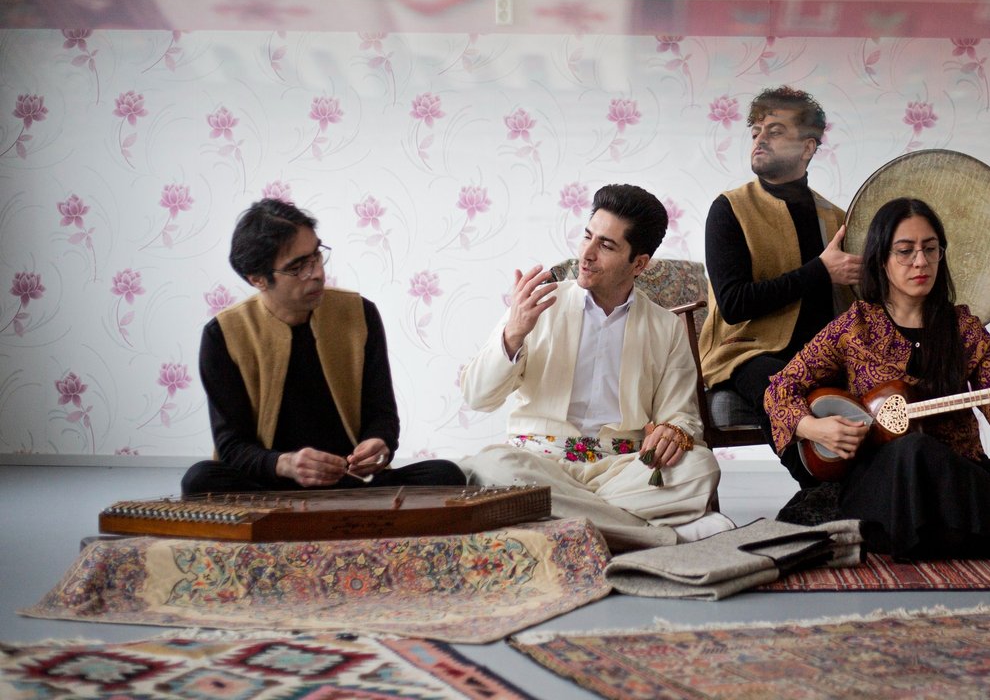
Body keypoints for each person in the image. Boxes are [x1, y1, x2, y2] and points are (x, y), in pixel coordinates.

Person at [764, 197, 990, 563]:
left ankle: (929, 537)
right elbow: (780, 388)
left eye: (930, 249)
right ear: (881, 260)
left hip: (955, 479)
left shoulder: (965, 330)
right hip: (884, 483)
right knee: (911, 449)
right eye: (905, 251)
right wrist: (814, 428)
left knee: (930, 491)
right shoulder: (854, 328)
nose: (920, 262)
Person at [459, 183, 728, 551]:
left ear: (639, 263)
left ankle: (560, 521)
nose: (586, 254)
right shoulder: (538, 306)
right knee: (491, 467)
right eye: (588, 236)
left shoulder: (665, 328)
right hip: (538, 463)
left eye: (606, 245)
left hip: (621, 468)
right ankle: (659, 535)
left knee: (699, 468)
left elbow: (681, 415)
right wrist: (513, 334)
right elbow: (477, 397)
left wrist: (672, 430)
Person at [182, 199, 466, 495]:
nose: (317, 272)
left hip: (350, 479)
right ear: (258, 279)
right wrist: (286, 464)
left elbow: (381, 413)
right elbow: (232, 445)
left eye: (316, 256)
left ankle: (319, 512)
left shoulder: (360, 313)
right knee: (199, 480)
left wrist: (379, 445)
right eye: (298, 267)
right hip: (270, 483)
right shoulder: (223, 335)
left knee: (446, 475)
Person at [699, 85, 860, 483]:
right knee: (781, 381)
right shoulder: (729, 209)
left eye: (775, 131)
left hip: (823, 353)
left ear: (807, 148)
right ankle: (818, 488)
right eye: (756, 131)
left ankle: (864, 489)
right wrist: (819, 271)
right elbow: (734, 304)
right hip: (745, 352)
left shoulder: (837, 219)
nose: (759, 140)